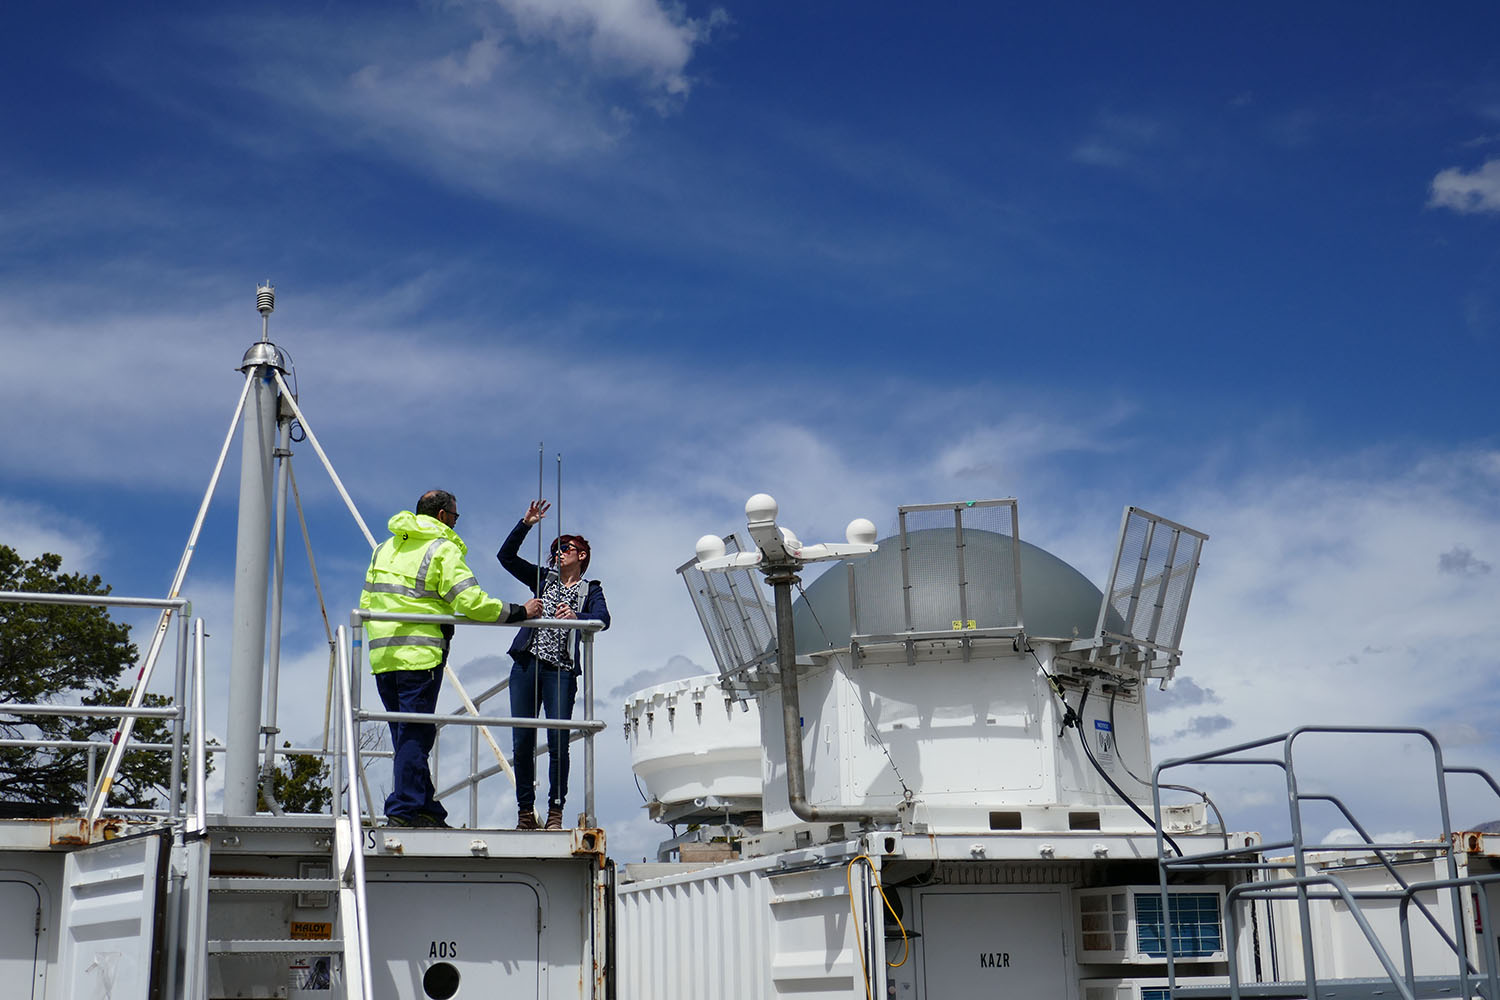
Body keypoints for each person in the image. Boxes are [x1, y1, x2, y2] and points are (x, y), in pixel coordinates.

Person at [360, 490, 542, 828]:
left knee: (405, 734)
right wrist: (518, 611)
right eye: (456, 518)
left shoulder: (384, 549)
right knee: (415, 734)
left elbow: (368, 599)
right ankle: (404, 810)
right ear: (443, 516)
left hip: (383, 655)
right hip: (418, 654)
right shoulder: (440, 548)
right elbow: (470, 601)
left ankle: (426, 806)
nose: (457, 524)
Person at [497, 499, 610, 830]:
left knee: (558, 740)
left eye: (566, 547)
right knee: (523, 741)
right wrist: (526, 523)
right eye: (556, 548)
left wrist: (577, 617)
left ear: (581, 555)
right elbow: (506, 558)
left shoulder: (591, 589)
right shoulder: (542, 579)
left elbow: (603, 619)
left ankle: (556, 811)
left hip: (560, 669)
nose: (559, 552)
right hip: (527, 665)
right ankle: (525, 813)